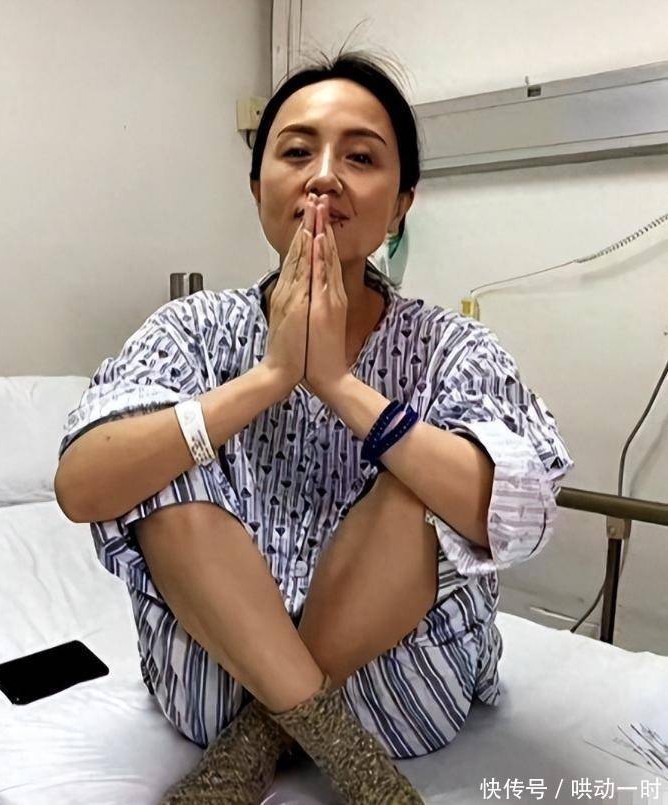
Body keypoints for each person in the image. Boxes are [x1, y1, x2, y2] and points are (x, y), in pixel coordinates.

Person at [54, 49, 574, 805]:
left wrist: (339, 387)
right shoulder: (192, 329)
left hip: (399, 694)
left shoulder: (451, 347)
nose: (324, 177)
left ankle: (263, 738)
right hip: (211, 681)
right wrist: (268, 379)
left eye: (360, 157)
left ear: (402, 202)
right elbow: (82, 485)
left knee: (426, 478)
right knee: (158, 453)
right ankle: (316, 735)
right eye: (297, 152)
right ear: (257, 186)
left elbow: (516, 515)